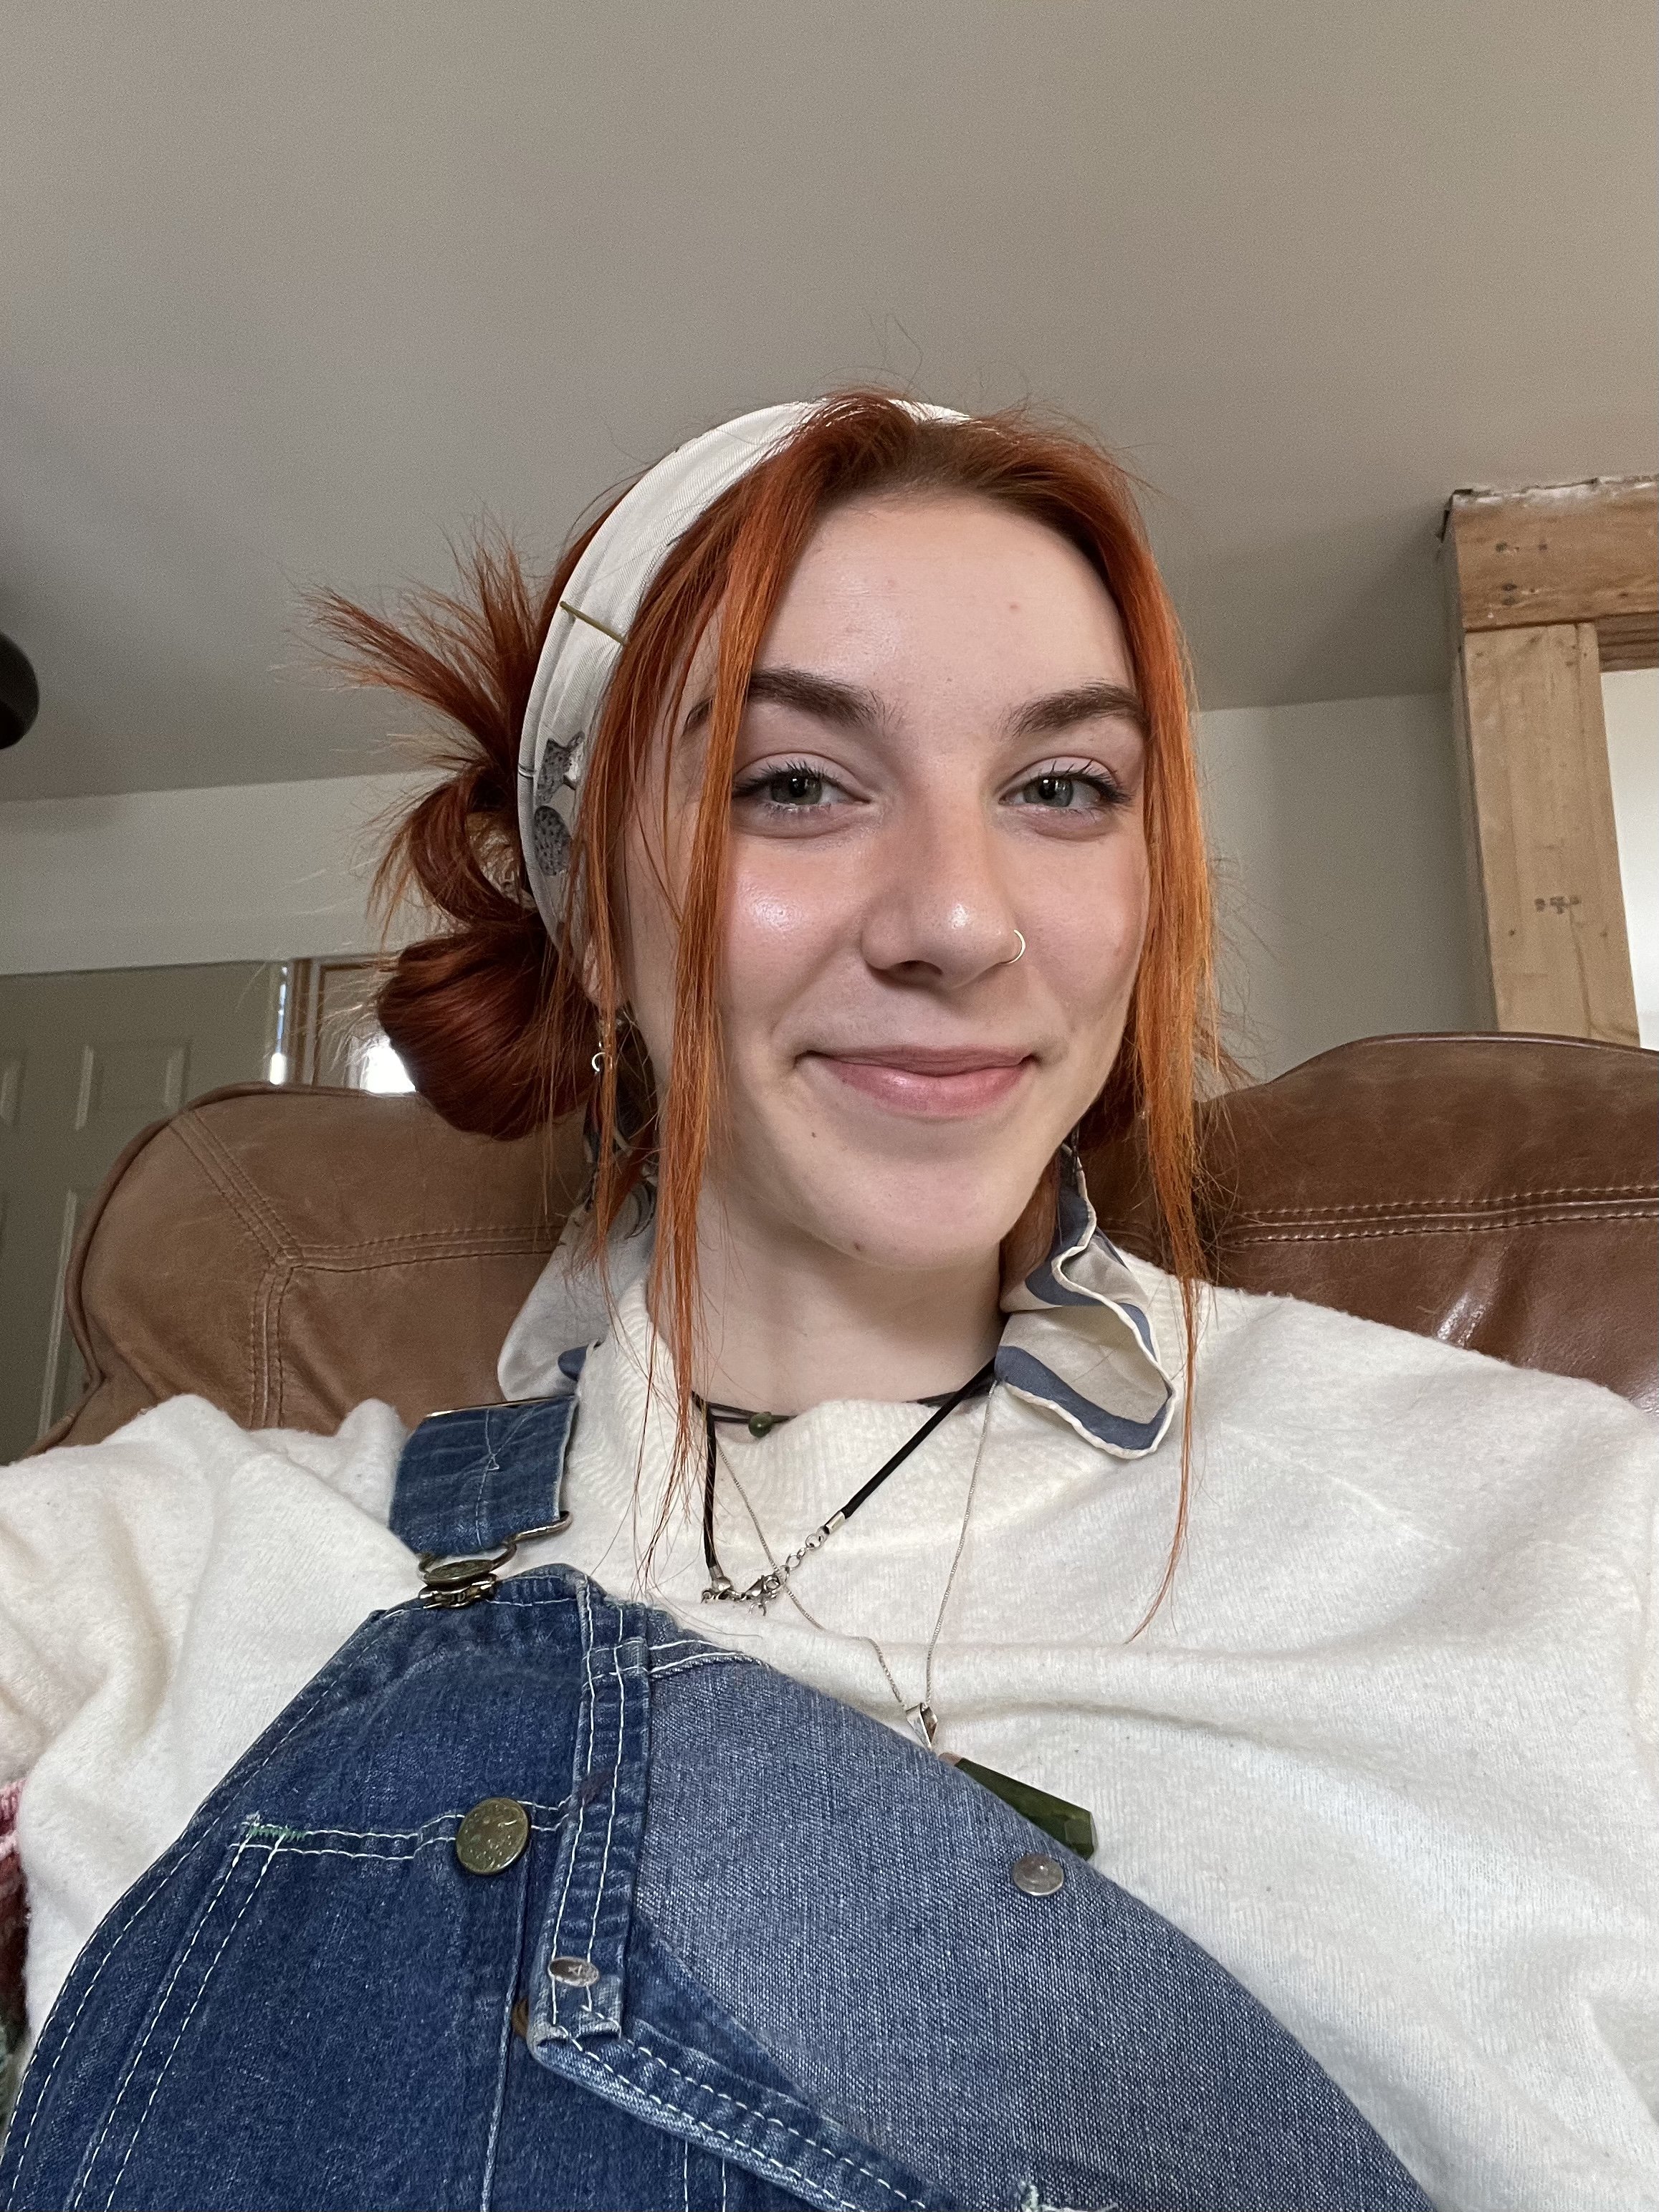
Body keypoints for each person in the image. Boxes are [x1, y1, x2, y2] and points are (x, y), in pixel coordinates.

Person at [0, 393, 1653, 2212]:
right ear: (596, 923)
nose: (959, 918)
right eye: (792, 783)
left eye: (1062, 788)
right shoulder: (182, 1558)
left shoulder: (1569, 1526)